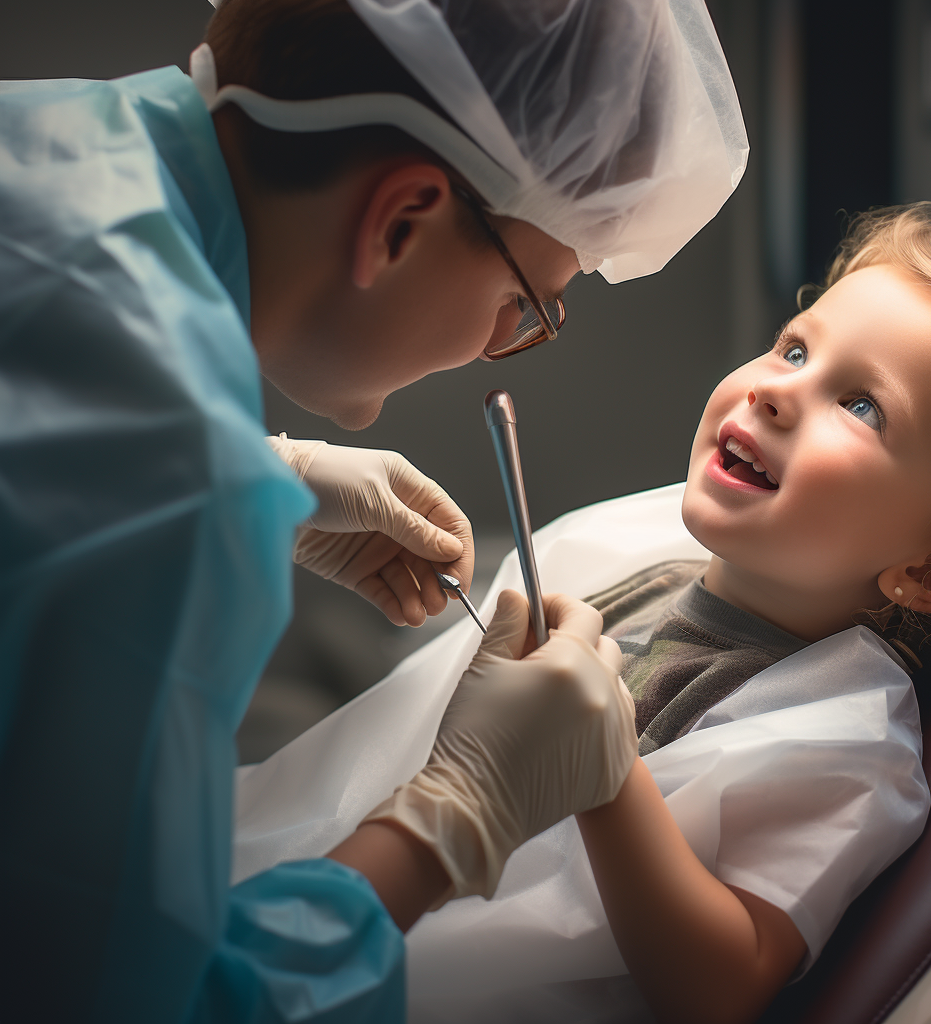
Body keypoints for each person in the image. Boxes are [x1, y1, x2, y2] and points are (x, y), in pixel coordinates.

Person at [0, 0, 747, 1021]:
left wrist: (267, 479)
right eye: (525, 300)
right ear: (400, 220)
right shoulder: (166, 476)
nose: (499, 342)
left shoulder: (41, 138)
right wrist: (452, 819)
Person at [228, 204, 931, 1024]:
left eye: (862, 407)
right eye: (795, 347)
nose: (778, 390)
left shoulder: (847, 742)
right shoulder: (646, 569)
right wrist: (263, 483)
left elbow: (721, 986)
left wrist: (608, 779)